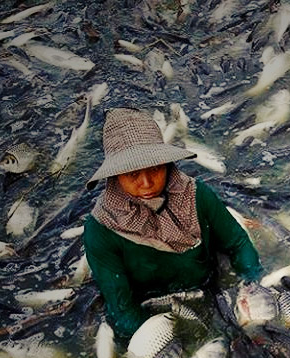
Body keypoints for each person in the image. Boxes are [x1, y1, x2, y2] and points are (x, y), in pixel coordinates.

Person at [83, 108, 262, 339]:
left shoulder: (198, 196)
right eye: (132, 174)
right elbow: (122, 309)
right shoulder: (101, 230)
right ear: (115, 175)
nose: (146, 183)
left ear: (166, 164)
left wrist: (253, 283)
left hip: (207, 286)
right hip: (148, 305)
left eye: (155, 169)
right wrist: (160, 342)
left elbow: (237, 242)